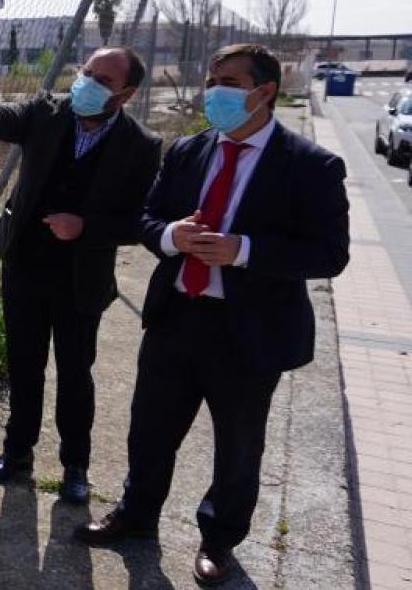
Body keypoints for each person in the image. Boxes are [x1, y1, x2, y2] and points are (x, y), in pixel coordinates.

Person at [74, 44, 350, 586]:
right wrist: (173, 236)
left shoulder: (310, 166)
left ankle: (218, 540)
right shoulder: (188, 151)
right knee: (149, 429)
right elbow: (147, 219)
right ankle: (137, 515)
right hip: (177, 314)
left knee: (238, 444)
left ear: (263, 92)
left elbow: (329, 254)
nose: (213, 91)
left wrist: (243, 250)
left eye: (227, 81)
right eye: (211, 79)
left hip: (249, 329)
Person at [0, 46, 162, 504]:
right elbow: (7, 118)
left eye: (102, 79)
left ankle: (75, 466)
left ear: (125, 94)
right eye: (86, 71)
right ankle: (17, 452)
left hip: (82, 279)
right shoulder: (48, 112)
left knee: (75, 373)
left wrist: (86, 228)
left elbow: (141, 220)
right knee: (24, 366)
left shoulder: (140, 146)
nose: (87, 82)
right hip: (24, 266)